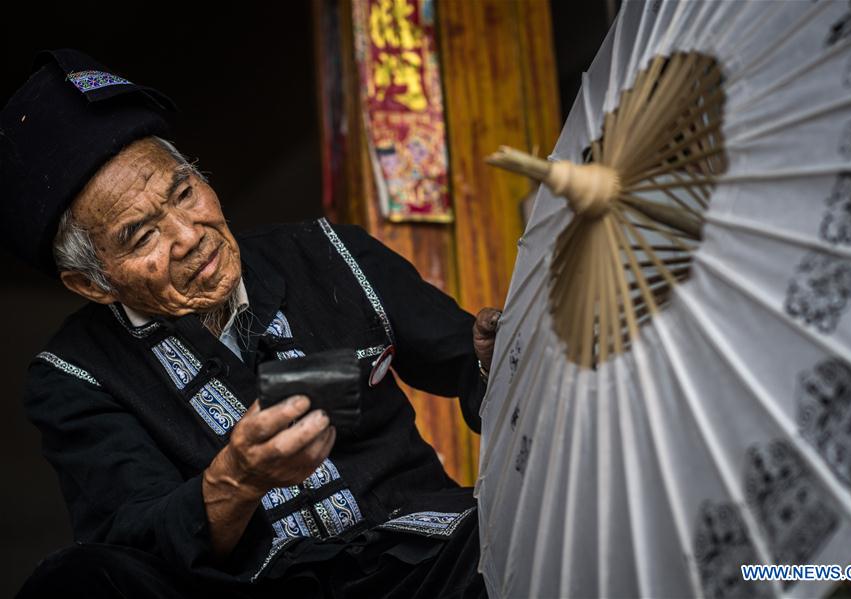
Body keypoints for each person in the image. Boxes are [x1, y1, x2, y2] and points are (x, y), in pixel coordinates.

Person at [2, 49, 501, 598]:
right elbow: (135, 542)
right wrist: (236, 478)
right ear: (93, 283)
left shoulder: (327, 253)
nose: (189, 234)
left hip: (435, 561)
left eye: (185, 192)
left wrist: (490, 359)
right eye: (141, 236)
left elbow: (465, 359)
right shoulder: (74, 375)